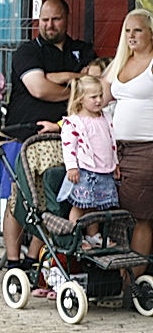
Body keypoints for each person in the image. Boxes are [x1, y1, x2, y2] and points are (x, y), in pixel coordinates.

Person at [1, 0, 95, 270]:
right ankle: (13, 262)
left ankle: (34, 258)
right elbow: (39, 88)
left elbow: (95, 81)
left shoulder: (82, 50)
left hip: (66, 138)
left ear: (67, 19)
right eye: (44, 20)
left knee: (51, 200)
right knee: (17, 199)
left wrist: (58, 77)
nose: (49, 25)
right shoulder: (27, 51)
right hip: (22, 137)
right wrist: (75, 89)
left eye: (55, 19)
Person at [104, 8, 153, 270]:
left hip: (146, 149)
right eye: (127, 30)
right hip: (114, 151)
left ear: (151, 33)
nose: (131, 35)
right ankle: (118, 274)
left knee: (141, 215)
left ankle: (133, 284)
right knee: (118, 214)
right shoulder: (121, 60)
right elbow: (96, 95)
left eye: (138, 30)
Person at [59, 76, 118, 245]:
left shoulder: (105, 118)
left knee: (95, 206)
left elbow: (112, 142)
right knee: (80, 206)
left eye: (100, 95)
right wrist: (71, 167)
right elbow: (68, 146)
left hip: (104, 170)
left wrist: (115, 163)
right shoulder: (74, 122)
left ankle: (93, 235)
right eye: (93, 97)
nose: (99, 100)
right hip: (84, 171)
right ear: (80, 98)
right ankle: (75, 236)